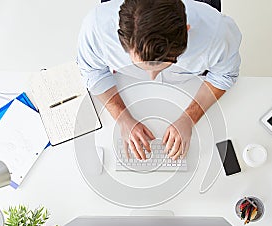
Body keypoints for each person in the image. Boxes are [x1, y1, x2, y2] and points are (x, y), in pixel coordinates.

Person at [77, 0, 241, 160]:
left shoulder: (217, 33)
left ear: (186, 31)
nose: (151, 78)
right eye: (140, 66)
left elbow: (224, 76)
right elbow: (93, 72)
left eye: (167, 64)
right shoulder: (96, 29)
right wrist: (123, 119)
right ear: (121, 38)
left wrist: (189, 118)